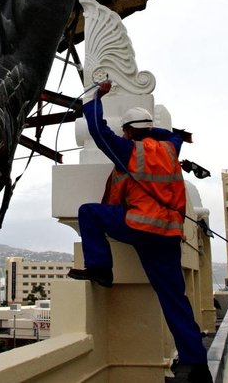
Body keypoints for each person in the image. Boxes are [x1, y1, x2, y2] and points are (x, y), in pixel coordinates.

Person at [67, 80, 212, 383]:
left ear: (129, 131)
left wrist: (96, 98)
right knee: (175, 299)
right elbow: (171, 135)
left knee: (88, 213)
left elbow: (97, 130)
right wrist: (148, 128)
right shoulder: (171, 149)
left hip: (140, 227)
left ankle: (100, 270)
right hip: (169, 235)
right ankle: (195, 363)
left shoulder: (129, 151)